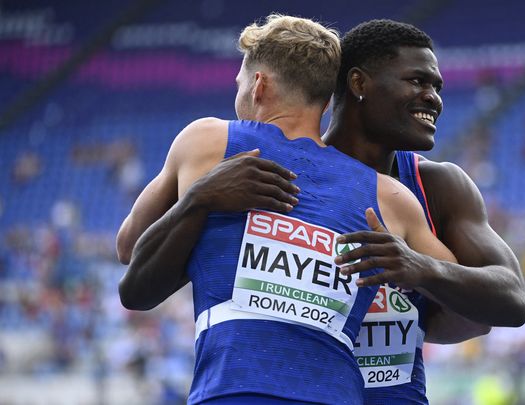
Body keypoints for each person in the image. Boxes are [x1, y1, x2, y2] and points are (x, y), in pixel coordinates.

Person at [115, 14, 456, 404]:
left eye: (240, 83)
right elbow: (462, 292)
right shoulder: (388, 195)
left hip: (231, 392)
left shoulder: (209, 140)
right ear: (327, 101)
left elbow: (129, 246)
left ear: (257, 86)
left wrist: (200, 199)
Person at [322, 20, 525, 403]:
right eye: (417, 81)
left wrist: (420, 269)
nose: (433, 97)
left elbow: (512, 300)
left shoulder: (438, 185)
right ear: (358, 83)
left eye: (436, 86)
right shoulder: (290, 174)